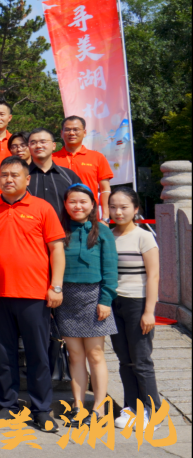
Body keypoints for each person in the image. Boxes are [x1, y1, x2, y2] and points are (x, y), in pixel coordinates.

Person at [0, 156, 66, 431]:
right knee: (4, 353)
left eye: (15, 175)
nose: (8, 179)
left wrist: (56, 286)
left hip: (34, 293)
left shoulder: (42, 208)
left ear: (27, 179)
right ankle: (8, 404)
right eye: (4, 175)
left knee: (38, 354)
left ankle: (41, 409)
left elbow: (56, 250)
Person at [55, 185, 118, 426]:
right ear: (65, 204)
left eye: (83, 201)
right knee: (75, 355)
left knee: (95, 354)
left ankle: (99, 409)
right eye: (72, 201)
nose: (77, 206)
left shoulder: (102, 231)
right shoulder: (58, 230)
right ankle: (79, 407)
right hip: (66, 298)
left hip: (94, 297)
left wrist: (106, 300)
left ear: (93, 204)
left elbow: (111, 269)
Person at [108, 186, 161, 431]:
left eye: (124, 207)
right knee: (124, 359)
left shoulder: (144, 237)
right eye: (113, 207)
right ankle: (131, 407)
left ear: (136, 209)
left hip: (137, 303)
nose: (118, 212)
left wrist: (149, 311)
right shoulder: (108, 235)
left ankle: (153, 411)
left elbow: (153, 276)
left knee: (141, 360)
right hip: (113, 303)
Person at [54, 116, 114, 220]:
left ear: (84, 133)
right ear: (61, 133)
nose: (71, 133)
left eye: (76, 129)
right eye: (67, 130)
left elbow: (105, 189)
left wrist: (105, 217)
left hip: (89, 216)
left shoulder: (97, 157)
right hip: (58, 216)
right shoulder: (51, 159)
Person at [26, 128, 80, 215]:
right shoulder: (20, 176)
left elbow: (80, 203)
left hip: (63, 224)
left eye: (43, 142)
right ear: (28, 147)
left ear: (54, 146)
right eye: (33, 143)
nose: (38, 146)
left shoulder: (68, 176)